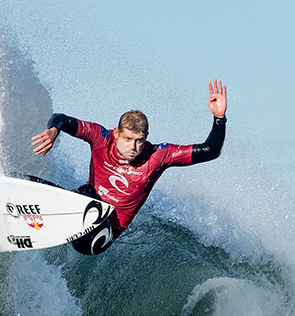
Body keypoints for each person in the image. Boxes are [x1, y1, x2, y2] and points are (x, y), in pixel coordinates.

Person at [30, 80, 227, 252]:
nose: (133, 146)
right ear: (116, 133)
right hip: (85, 204)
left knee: (87, 199)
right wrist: (54, 130)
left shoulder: (158, 156)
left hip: (102, 235)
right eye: (128, 139)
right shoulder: (101, 138)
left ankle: (48, 217)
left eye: (139, 140)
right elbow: (62, 118)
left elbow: (210, 150)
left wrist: (219, 118)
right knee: (86, 193)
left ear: (146, 138)